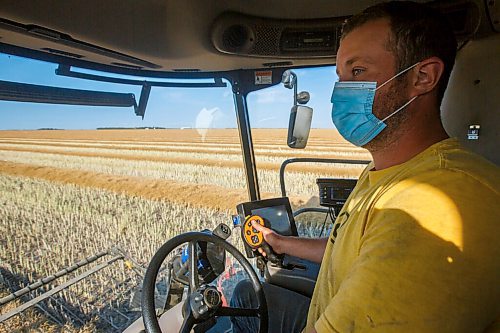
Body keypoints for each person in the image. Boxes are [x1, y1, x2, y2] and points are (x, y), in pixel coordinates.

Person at [230, 1, 500, 332]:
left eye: (357, 72)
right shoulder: (388, 171)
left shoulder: (438, 200)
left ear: (423, 76)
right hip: (330, 311)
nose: (339, 93)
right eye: (341, 77)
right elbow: (344, 250)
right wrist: (282, 243)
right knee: (248, 294)